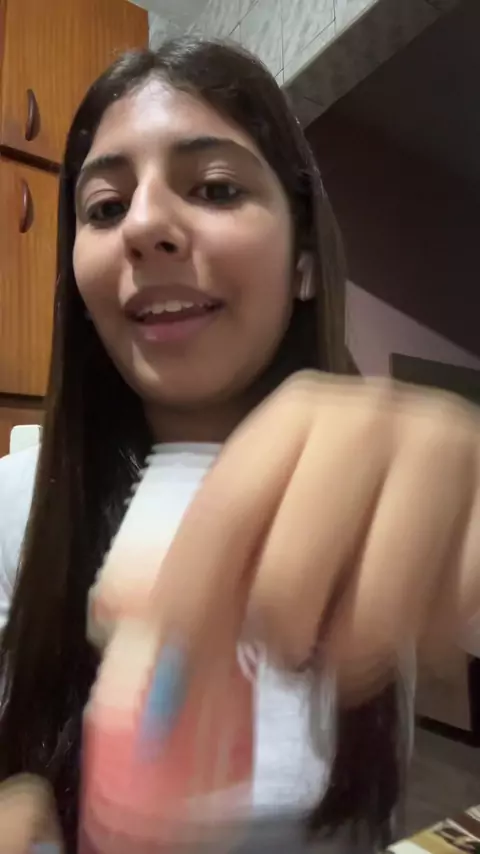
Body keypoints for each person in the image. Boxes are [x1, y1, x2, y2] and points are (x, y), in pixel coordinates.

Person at [0, 36, 479, 854]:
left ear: (304, 261)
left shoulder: (379, 496)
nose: (145, 225)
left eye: (216, 188)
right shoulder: (18, 505)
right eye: (105, 207)